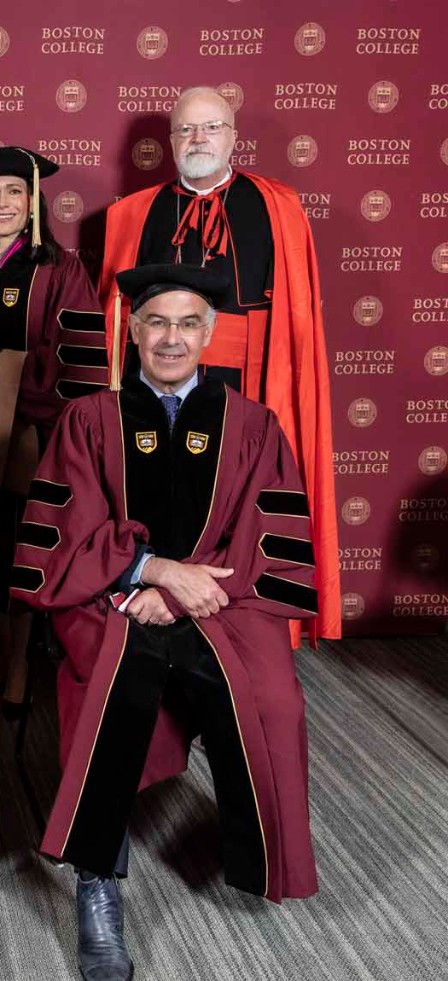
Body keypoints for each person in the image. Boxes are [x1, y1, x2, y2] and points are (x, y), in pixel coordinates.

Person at [13, 264, 319, 981]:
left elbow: (266, 542)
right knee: (110, 693)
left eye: (187, 324)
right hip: (113, 598)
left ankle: (261, 856)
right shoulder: (90, 421)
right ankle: (98, 881)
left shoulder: (253, 426)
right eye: (156, 322)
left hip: (223, 600)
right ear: (132, 331)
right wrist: (148, 571)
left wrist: (185, 592)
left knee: (275, 701)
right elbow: (59, 537)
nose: (171, 338)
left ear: (210, 333)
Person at [99, 86, 338, 642]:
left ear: (233, 137)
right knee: (163, 483)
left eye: (211, 127)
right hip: (158, 376)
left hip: (251, 379)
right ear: (171, 142)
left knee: (244, 489)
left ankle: (241, 605)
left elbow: (296, 316)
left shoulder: (278, 205)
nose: (198, 139)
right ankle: (160, 590)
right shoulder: (134, 214)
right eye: (186, 130)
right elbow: (116, 323)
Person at [0, 145, 106, 705]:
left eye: (14, 192)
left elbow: (79, 358)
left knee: (17, 541)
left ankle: (17, 664)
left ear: (33, 202)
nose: (2, 203)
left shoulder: (60, 269)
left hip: (28, 435)